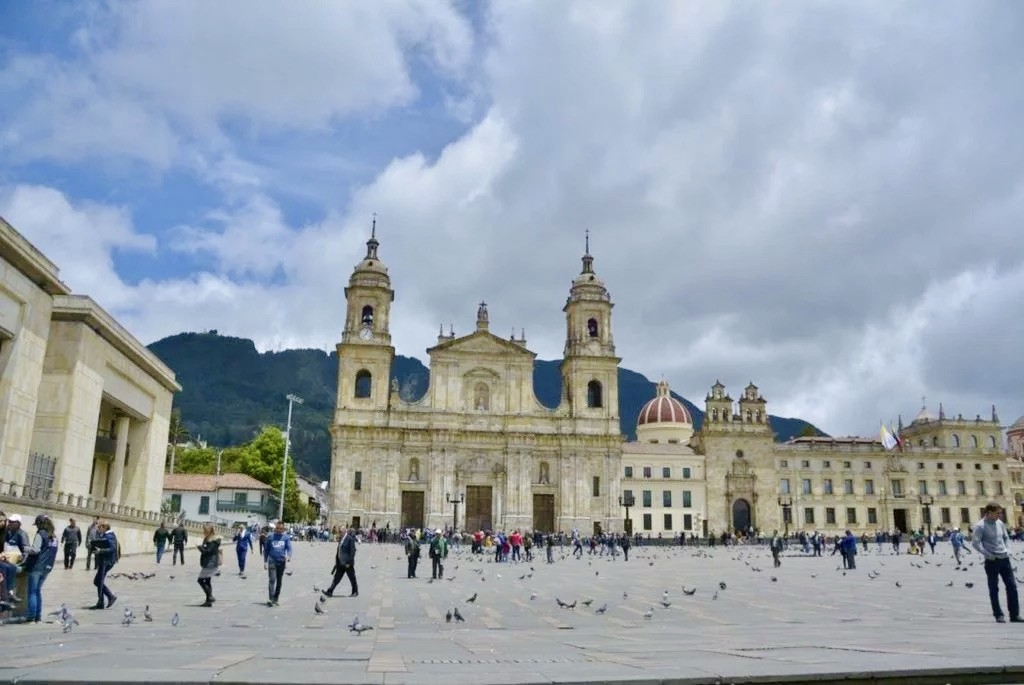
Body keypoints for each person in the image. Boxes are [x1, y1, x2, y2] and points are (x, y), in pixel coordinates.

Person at [971, 503, 1020, 623]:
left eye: (1000, 513)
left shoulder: (1000, 523)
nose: (1000, 515)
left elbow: (1006, 537)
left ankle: (1014, 615)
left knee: (1012, 587)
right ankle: (998, 614)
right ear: (988, 513)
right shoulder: (980, 526)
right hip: (992, 561)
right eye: (997, 513)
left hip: (1004, 559)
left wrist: (1008, 550)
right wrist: (988, 555)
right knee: (994, 588)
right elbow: (975, 543)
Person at [23, 514, 58, 623]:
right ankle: (38, 616)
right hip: (47, 567)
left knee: (32, 592)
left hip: (37, 566)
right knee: (38, 591)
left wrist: (26, 548)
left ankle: (31, 616)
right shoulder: (54, 536)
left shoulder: (41, 534)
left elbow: (36, 550)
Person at [263, 521, 292, 606]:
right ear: (275, 528)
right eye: (278, 528)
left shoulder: (286, 538)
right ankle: (271, 598)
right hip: (272, 560)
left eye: (281, 529)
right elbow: (266, 550)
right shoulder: (270, 537)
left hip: (281, 562)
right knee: (272, 579)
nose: (279, 530)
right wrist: (265, 561)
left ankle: (276, 598)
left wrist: (289, 556)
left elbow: (289, 548)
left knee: (279, 581)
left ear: (283, 529)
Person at [90, 521, 118, 609]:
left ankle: (108, 598)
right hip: (104, 561)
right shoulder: (106, 536)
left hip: (106, 562)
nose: (98, 529)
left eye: (99, 527)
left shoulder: (109, 536)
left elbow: (112, 549)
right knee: (98, 581)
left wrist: (100, 551)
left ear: (104, 528)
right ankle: (104, 600)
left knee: (99, 581)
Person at [196, 524, 222, 607]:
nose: (203, 532)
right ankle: (208, 600)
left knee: (200, 580)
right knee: (207, 580)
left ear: (209, 531)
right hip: (208, 562)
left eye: (205, 530)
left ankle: (210, 597)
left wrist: (199, 547)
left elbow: (208, 551)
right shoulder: (207, 539)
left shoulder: (213, 540)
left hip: (210, 563)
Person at [327, 527, 358, 597]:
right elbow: (339, 550)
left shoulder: (350, 539)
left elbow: (352, 552)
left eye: (340, 532)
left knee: (352, 578)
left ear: (344, 532)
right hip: (340, 563)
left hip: (347, 564)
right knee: (336, 578)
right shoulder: (341, 539)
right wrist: (337, 561)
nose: (339, 533)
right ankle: (330, 591)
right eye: (339, 532)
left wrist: (349, 562)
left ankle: (355, 591)